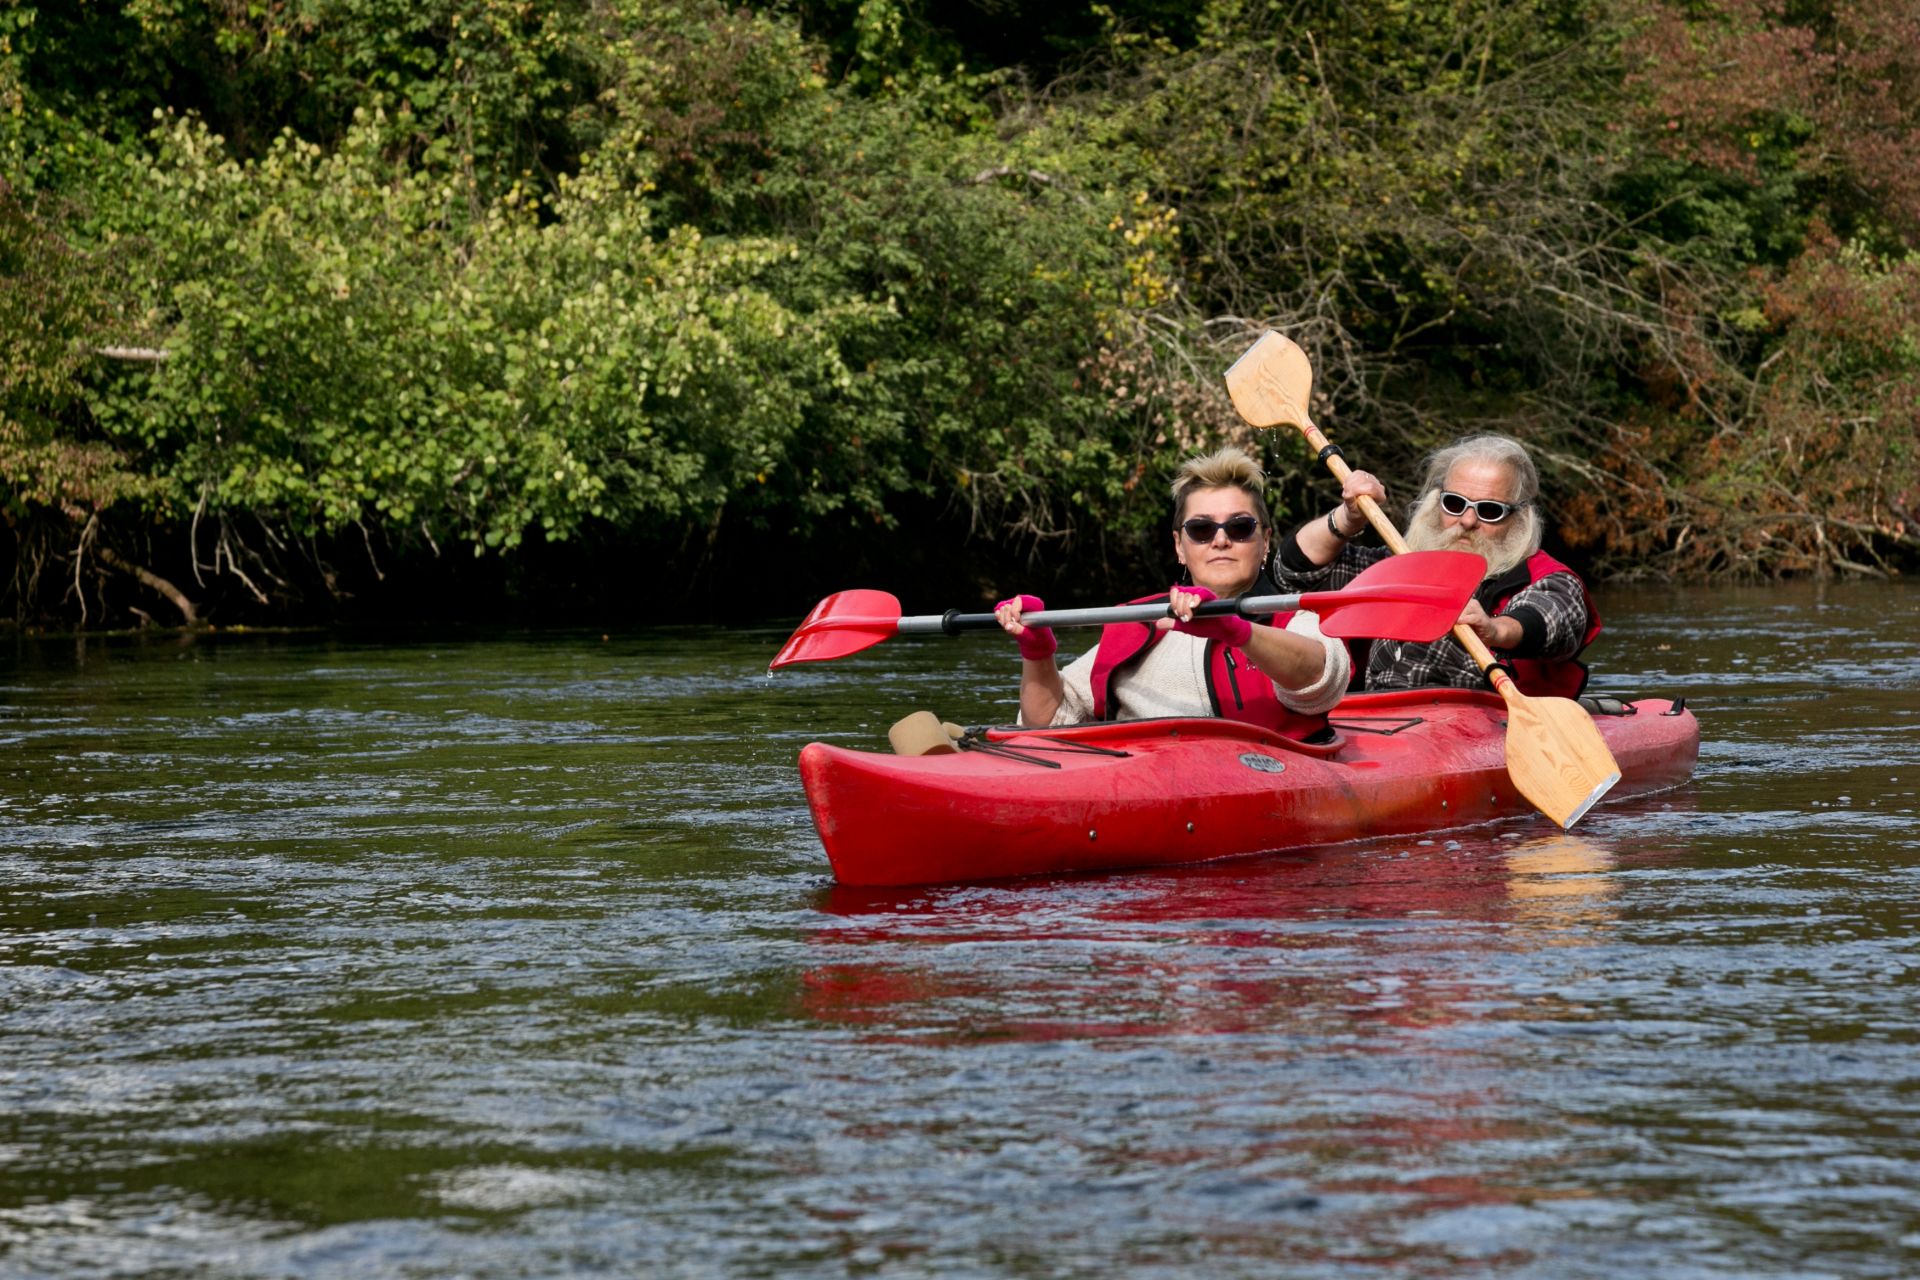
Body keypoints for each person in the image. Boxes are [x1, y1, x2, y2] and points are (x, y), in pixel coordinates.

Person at [994, 447, 1350, 738]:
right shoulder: (1136, 622)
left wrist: (1236, 630)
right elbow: (1047, 723)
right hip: (1138, 780)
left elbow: (1321, 677)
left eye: (1240, 527)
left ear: (1265, 541)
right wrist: (1038, 653)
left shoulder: (1296, 622)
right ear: (1180, 545)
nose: (1220, 540)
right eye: (1201, 529)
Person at [1274, 433, 1599, 696]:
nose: (1467, 520)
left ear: (1519, 518)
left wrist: (1495, 629)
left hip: (1481, 725)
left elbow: (1553, 620)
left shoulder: (1548, 579)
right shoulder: (1399, 564)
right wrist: (1347, 518)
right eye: (1455, 503)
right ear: (1437, 502)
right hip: (1379, 723)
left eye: (1489, 510)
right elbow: (1294, 574)